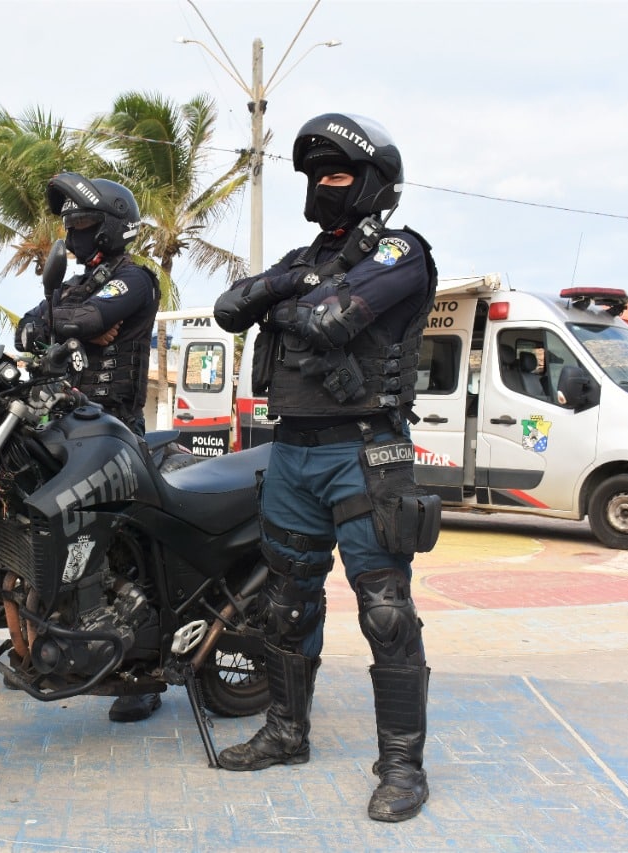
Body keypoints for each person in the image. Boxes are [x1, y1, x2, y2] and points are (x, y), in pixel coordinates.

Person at [211, 113, 442, 822]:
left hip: (364, 452)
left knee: (386, 612)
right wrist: (294, 287)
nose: (322, 185)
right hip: (293, 451)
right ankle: (286, 733)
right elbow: (228, 308)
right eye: (314, 175)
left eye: (337, 173)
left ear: (373, 183)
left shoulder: (402, 250)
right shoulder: (301, 256)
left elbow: (329, 318)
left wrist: (283, 298)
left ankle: (402, 766)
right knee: (285, 605)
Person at [14, 171, 163, 722]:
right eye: (68, 222)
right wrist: (73, 325)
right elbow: (25, 331)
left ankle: (142, 675)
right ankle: (46, 642)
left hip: (116, 427)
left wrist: (69, 323)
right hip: (63, 426)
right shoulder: (73, 287)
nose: (71, 231)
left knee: (126, 546)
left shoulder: (136, 279)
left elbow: (94, 317)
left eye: (81, 221)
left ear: (109, 227)